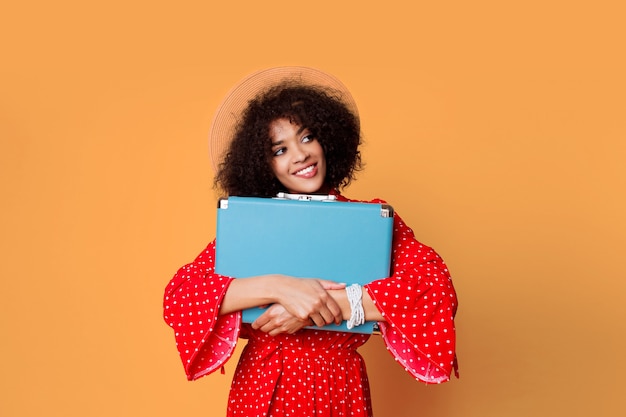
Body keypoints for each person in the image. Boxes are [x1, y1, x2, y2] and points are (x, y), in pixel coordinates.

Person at [163, 66, 459, 417]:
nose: (300, 155)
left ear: (327, 140)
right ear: (262, 163)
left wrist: (314, 306)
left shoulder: (372, 220)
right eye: (279, 149)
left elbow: (436, 291)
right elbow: (179, 297)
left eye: (306, 138)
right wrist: (280, 287)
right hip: (262, 386)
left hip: (339, 385)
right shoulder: (250, 224)